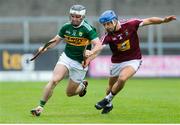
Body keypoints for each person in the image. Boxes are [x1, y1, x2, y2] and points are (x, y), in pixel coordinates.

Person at [94, 10, 176, 114]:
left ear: (115, 21)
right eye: (104, 24)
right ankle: (109, 104)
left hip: (134, 60)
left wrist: (163, 20)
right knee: (110, 87)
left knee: (122, 78)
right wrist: (90, 53)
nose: (106, 26)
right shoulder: (108, 35)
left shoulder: (131, 24)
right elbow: (98, 46)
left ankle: (106, 100)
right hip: (117, 62)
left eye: (108, 23)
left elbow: (150, 20)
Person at [31, 4, 102, 116]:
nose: (74, 18)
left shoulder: (88, 29)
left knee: (69, 93)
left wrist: (91, 52)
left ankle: (82, 86)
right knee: (54, 80)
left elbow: (98, 44)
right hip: (67, 57)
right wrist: (45, 47)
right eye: (72, 16)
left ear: (82, 17)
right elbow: (55, 40)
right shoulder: (66, 27)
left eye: (77, 16)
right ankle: (40, 107)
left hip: (80, 63)